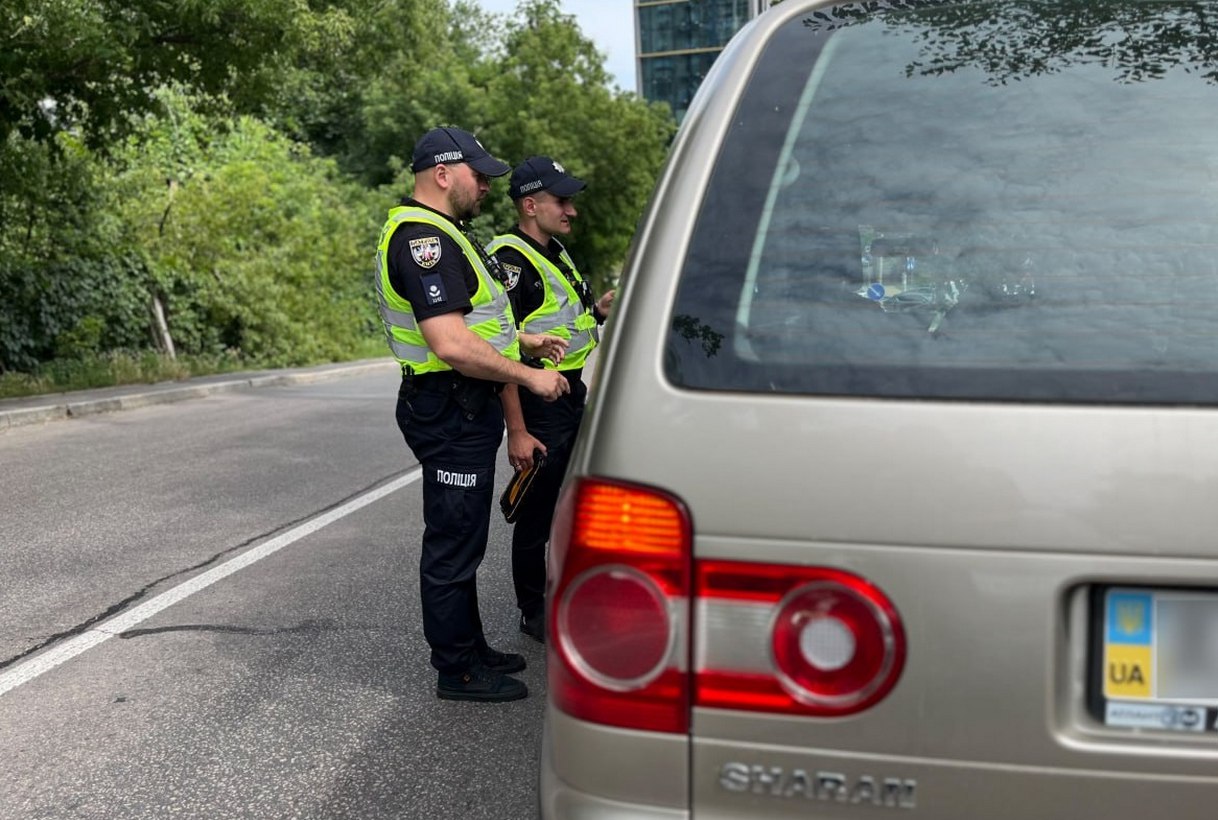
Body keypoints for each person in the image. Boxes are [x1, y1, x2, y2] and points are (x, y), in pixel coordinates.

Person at [375, 128, 570, 702]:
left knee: (468, 536)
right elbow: (450, 343)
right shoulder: (421, 240)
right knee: (453, 540)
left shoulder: (450, 233)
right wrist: (529, 377)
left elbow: (480, 324)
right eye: (478, 175)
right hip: (447, 407)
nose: (486, 186)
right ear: (442, 173)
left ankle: (472, 645)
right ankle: (456, 669)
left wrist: (524, 341)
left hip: (464, 404)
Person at [488, 156, 614, 643]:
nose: (571, 210)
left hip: (569, 394)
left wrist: (596, 312)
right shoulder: (510, 261)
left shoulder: (554, 251)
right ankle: (534, 611)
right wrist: (517, 430)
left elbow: (562, 322)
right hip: (537, 400)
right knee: (537, 514)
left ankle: (567, 594)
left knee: (573, 506)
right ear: (529, 205)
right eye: (561, 201)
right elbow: (499, 347)